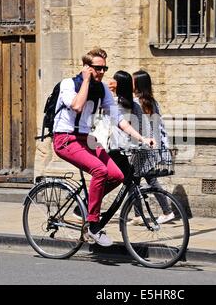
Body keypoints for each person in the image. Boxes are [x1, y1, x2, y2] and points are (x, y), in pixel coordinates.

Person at [52, 48, 155, 247]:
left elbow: (118, 119)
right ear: (87, 67)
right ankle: (92, 224)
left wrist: (142, 138)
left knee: (117, 175)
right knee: (99, 170)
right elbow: (77, 106)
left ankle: (87, 208)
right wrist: (87, 81)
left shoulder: (104, 90)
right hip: (64, 139)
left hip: (85, 138)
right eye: (97, 68)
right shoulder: (69, 84)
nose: (101, 72)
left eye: (104, 68)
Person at [130, 69, 175, 225]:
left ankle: (166, 211)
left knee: (138, 179)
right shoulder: (152, 102)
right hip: (151, 146)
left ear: (138, 84)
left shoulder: (137, 102)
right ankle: (139, 214)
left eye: (133, 81)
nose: (130, 83)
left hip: (144, 147)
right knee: (141, 179)